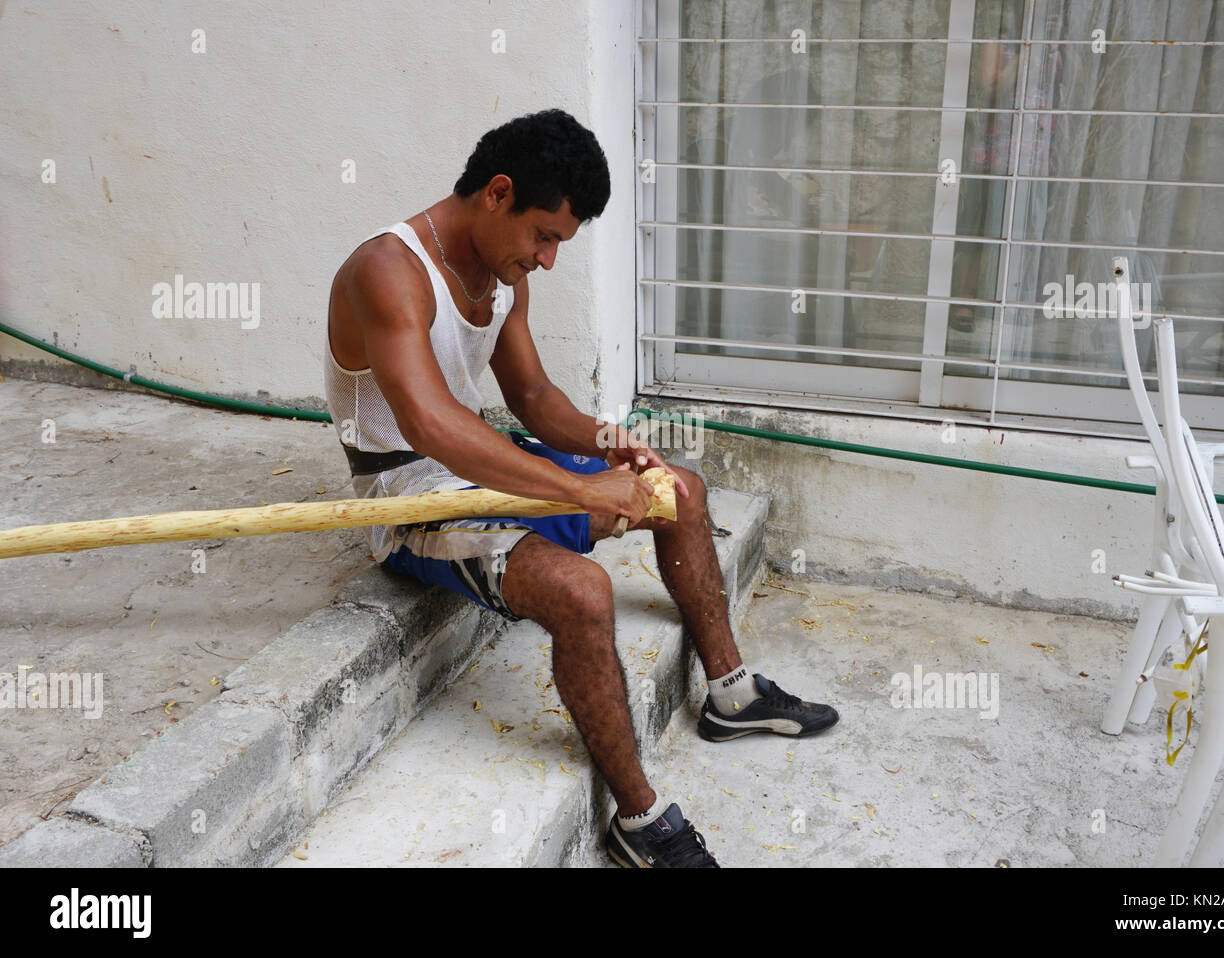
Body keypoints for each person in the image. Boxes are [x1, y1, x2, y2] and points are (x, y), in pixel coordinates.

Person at [323, 109, 839, 868]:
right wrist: (574, 488)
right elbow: (430, 425)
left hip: (482, 458)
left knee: (680, 491)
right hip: (409, 494)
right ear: (497, 193)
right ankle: (640, 820)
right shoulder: (388, 269)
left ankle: (730, 693)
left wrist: (611, 445)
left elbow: (531, 396)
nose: (548, 258)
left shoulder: (503, 272)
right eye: (545, 236)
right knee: (583, 592)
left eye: (559, 242)